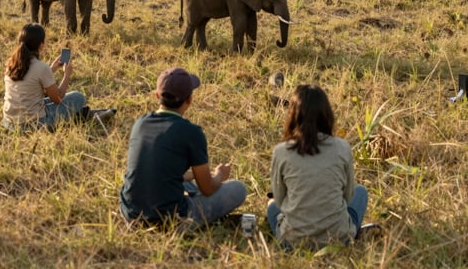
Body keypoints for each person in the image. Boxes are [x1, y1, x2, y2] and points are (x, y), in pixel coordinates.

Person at [119, 66, 247, 228]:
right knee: (238, 189)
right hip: (169, 220)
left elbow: (157, 170)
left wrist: (194, 175)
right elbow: (207, 188)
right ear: (189, 100)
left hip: (130, 213)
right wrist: (220, 175)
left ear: (157, 95)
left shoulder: (140, 123)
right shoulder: (191, 132)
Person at [267, 84, 369, 249]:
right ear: (327, 114)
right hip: (337, 237)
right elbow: (348, 196)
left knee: (271, 206)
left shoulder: (281, 152)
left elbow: (279, 200)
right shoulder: (342, 148)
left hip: (293, 240)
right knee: (360, 192)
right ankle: (351, 233)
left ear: (292, 115)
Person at [2, 23, 87, 130]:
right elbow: (58, 98)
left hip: (9, 122)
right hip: (34, 124)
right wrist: (67, 75)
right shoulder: (40, 67)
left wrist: (52, 69)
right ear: (41, 45)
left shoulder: (11, 63)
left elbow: (30, 83)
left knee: (45, 100)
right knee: (78, 97)